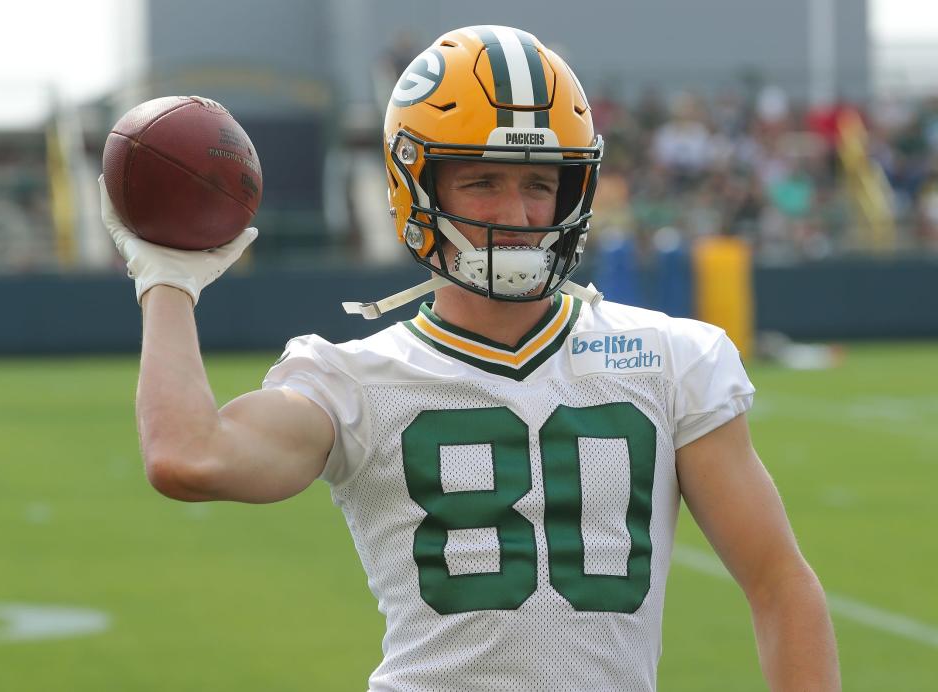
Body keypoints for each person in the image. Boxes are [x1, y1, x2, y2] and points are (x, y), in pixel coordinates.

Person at [101, 26, 840, 692]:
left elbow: (780, 585)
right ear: (415, 185)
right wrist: (167, 280)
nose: (516, 216)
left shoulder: (671, 357)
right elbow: (188, 458)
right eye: (483, 181)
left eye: (538, 184)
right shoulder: (352, 380)